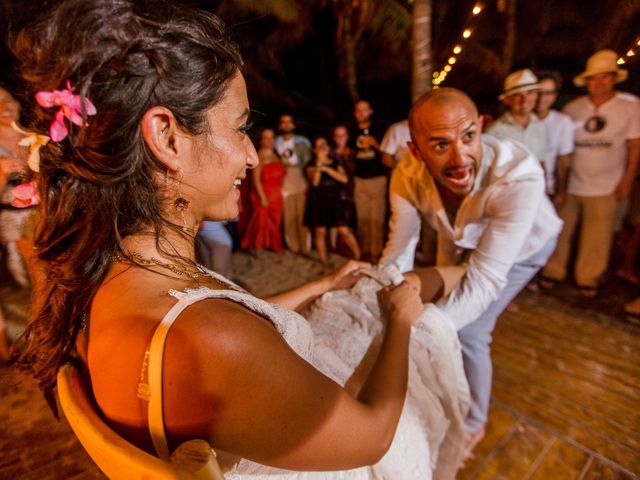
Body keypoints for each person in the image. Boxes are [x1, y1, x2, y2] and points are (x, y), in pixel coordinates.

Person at [13, 1, 469, 478]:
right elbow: (373, 437)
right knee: (418, 317)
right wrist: (399, 320)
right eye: (240, 127)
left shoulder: (109, 272)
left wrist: (318, 287)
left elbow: (225, 324)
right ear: (167, 138)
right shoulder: (210, 341)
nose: (252, 155)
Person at [380, 87, 562, 456]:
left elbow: (485, 278)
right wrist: (379, 294)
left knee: (473, 330)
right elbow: (399, 250)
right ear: (415, 151)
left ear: (482, 127)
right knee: (452, 309)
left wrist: (417, 337)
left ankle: (475, 421)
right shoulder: (405, 176)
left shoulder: (519, 176)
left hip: (528, 247)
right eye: (440, 145)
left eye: (468, 137)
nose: (461, 158)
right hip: (468, 242)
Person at [540, 50, 640, 297]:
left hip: (608, 183)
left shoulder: (630, 106)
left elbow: (634, 146)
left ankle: (589, 278)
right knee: (561, 230)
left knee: (598, 235)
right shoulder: (574, 108)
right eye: (594, 78)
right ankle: (553, 271)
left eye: (605, 77)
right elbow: (561, 148)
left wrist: (627, 179)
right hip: (572, 182)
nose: (599, 83)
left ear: (614, 78)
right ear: (586, 82)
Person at [303, 137, 360, 265]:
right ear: (314, 150)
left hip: (335, 201)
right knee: (320, 232)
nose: (322, 148)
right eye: (319, 146)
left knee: (344, 230)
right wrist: (319, 164)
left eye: (324, 145)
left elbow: (344, 179)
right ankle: (324, 261)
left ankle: (357, 255)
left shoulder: (335, 163)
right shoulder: (310, 165)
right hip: (318, 201)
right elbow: (315, 182)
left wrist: (326, 168)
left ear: (328, 148)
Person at [350, 100, 388, 263]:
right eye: (358, 111)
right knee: (362, 217)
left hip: (377, 179)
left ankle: (376, 252)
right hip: (359, 179)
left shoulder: (379, 130)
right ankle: (364, 250)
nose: (361, 114)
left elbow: (388, 152)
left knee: (376, 218)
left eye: (364, 110)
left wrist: (376, 144)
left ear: (370, 111)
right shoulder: (351, 132)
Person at [241, 127, 286, 256]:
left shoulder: (276, 155)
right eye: (266, 138)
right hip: (263, 195)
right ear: (261, 140)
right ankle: (258, 248)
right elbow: (256, 181)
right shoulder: (259, 156)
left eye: (272, 137)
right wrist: (263, 198)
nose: (270, 141)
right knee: (260, 224)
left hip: (276, 195)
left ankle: (273, 245)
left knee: (275, 223)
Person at [487, 69, 547, 165]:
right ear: (507, 100)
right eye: (518, 95)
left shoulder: (540, 126)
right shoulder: (494, 132)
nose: (525, 99)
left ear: (536, 95)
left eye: (530, 92)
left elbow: (541, 161)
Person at [535, 70, 575, 200]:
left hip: (548, 191)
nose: (542, 98)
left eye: (548, 93)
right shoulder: (520, 121)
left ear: (554, 96)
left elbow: (563, 160)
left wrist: (561, 192)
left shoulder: (562, 122)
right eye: (539, 92)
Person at [275, 114, 311, 256]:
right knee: (289, 217)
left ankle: (306, 247)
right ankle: (293, 247)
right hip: (285, 182)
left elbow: (308, 163)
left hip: (300, 179)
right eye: (283, 122)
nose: (286, 125)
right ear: (280, 126)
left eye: (289, 122)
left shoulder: (302, 141)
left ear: (294, 125)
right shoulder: (276, 142)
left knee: (303, 217)